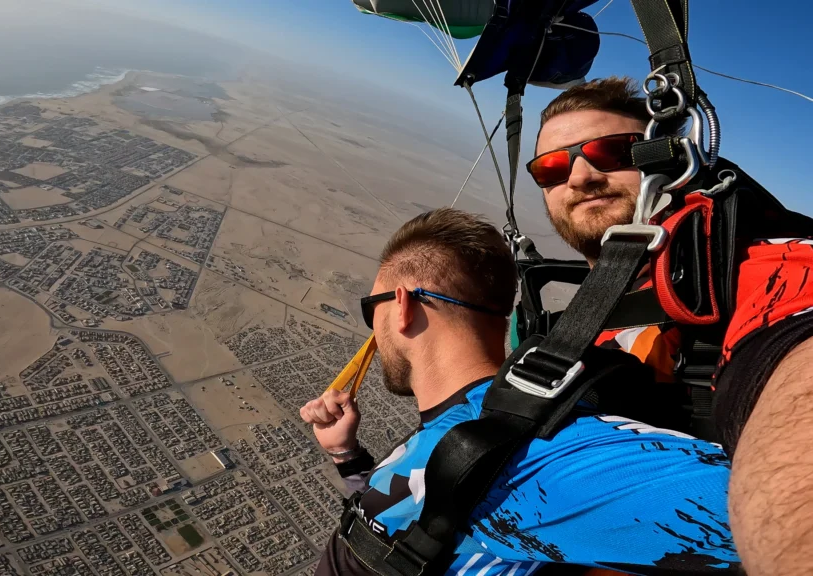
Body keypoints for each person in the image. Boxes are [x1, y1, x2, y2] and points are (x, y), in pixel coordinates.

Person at [303, 207, 739, 575]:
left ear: (402, 305)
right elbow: (407, 517)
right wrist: (347, 456)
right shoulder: (463, 428)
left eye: (371, 309)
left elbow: (760, 507)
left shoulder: (527, 456)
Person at [526, 77, 813, 575]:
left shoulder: (755, 269)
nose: (580, 177)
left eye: (613, 152)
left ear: (671, 162)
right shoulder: (598, 311)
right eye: (551, 168)